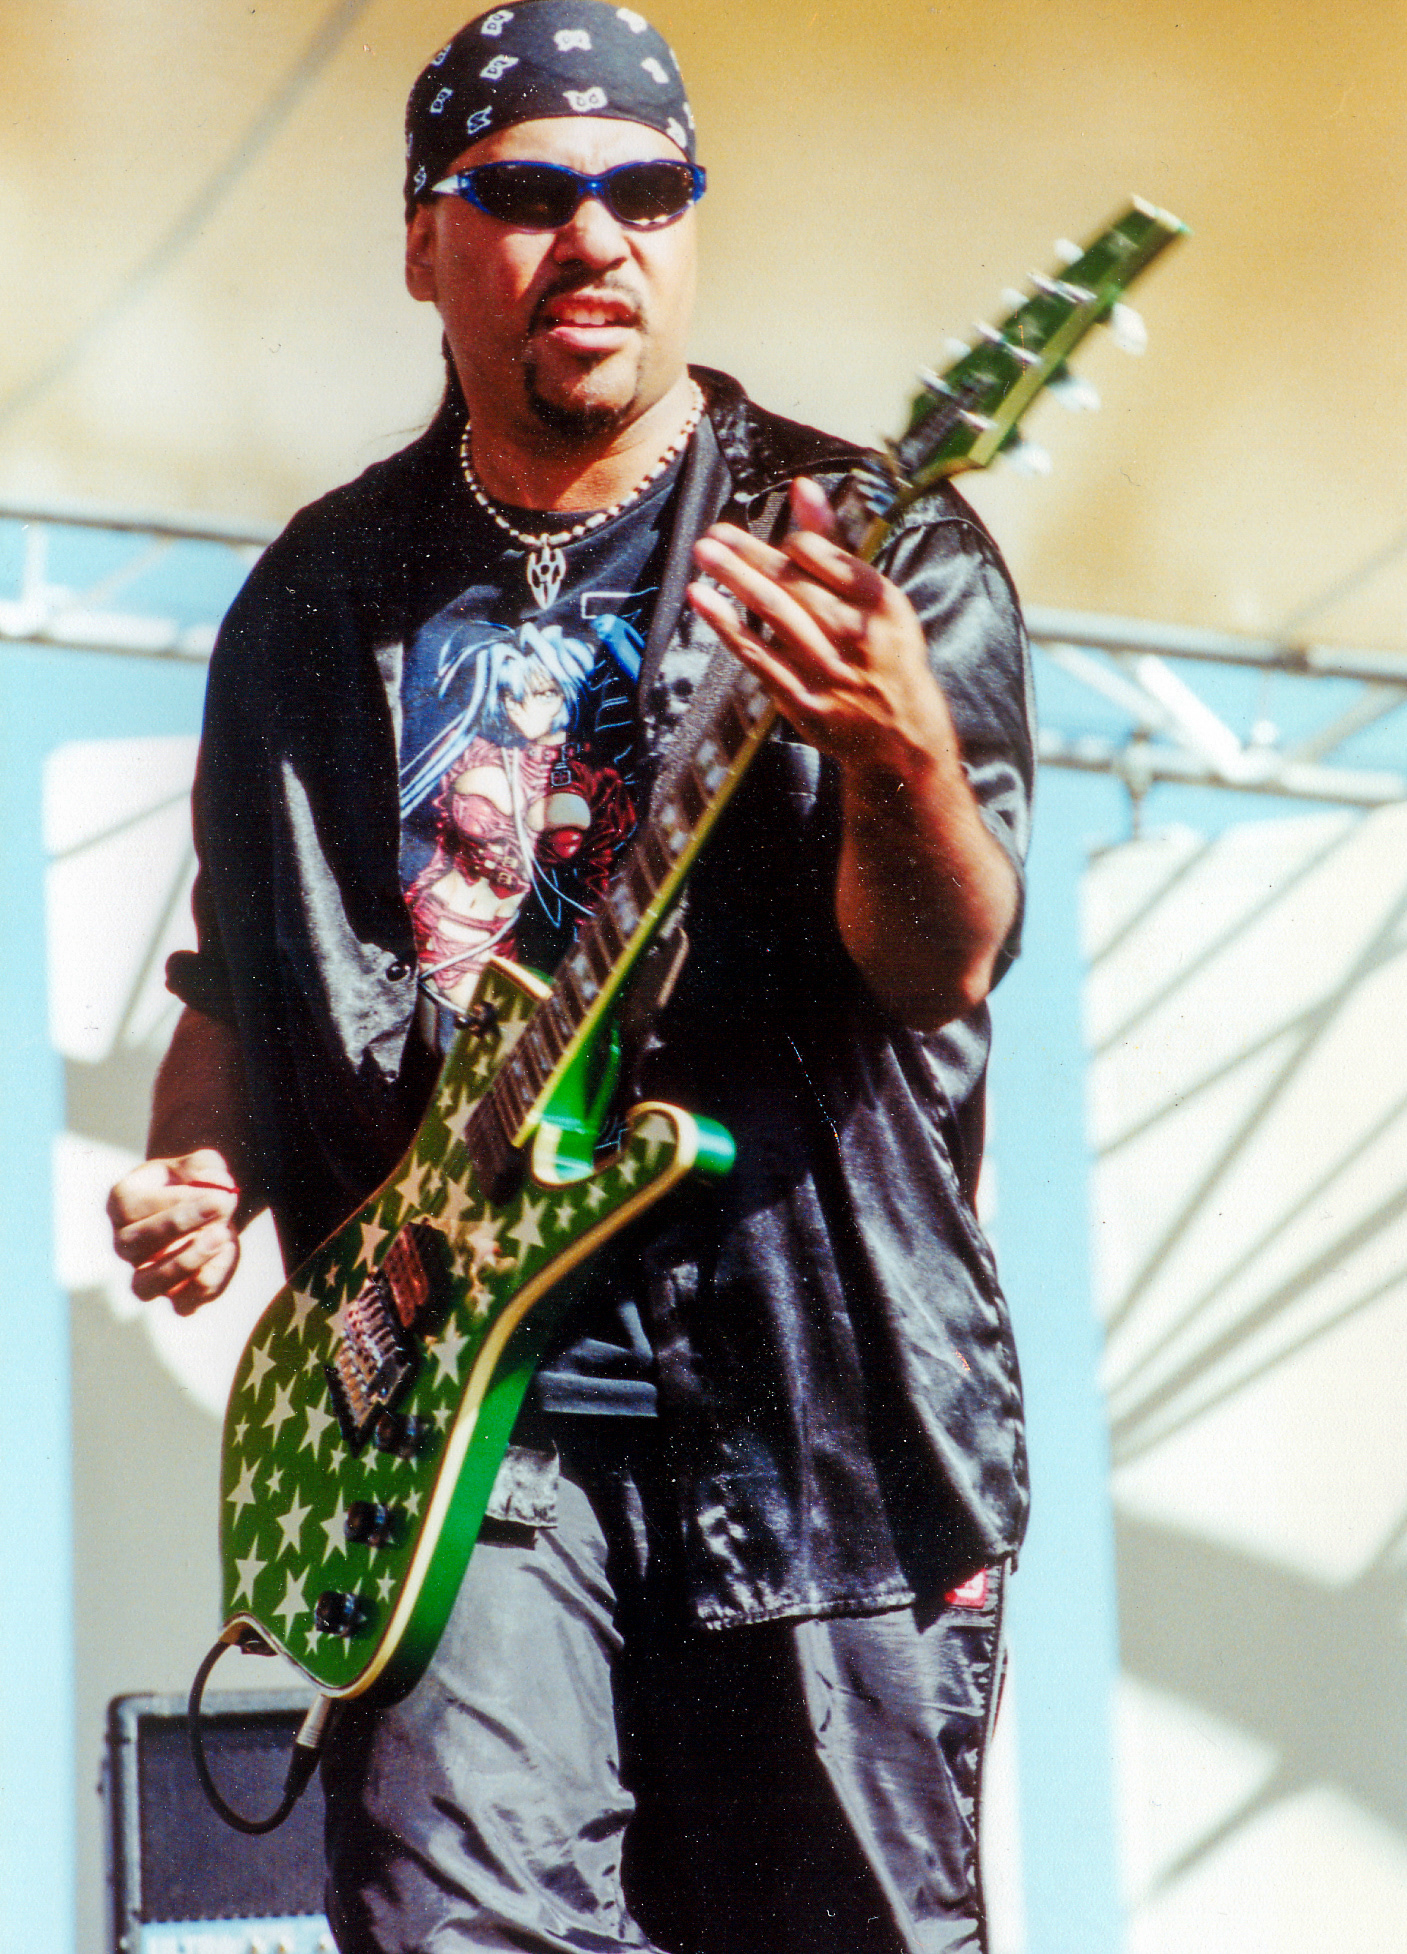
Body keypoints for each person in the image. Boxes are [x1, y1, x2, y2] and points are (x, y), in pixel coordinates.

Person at [107, 5, 1036, 1950]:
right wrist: (205, 1161)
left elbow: (940, 963)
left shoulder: (863, 553)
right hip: (456, 1440)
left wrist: (893, 750)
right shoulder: (312, 600)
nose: (594, 237)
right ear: (423, 244)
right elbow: (242, 974)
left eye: (647, 190)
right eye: (528, 191)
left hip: (806, 1413)